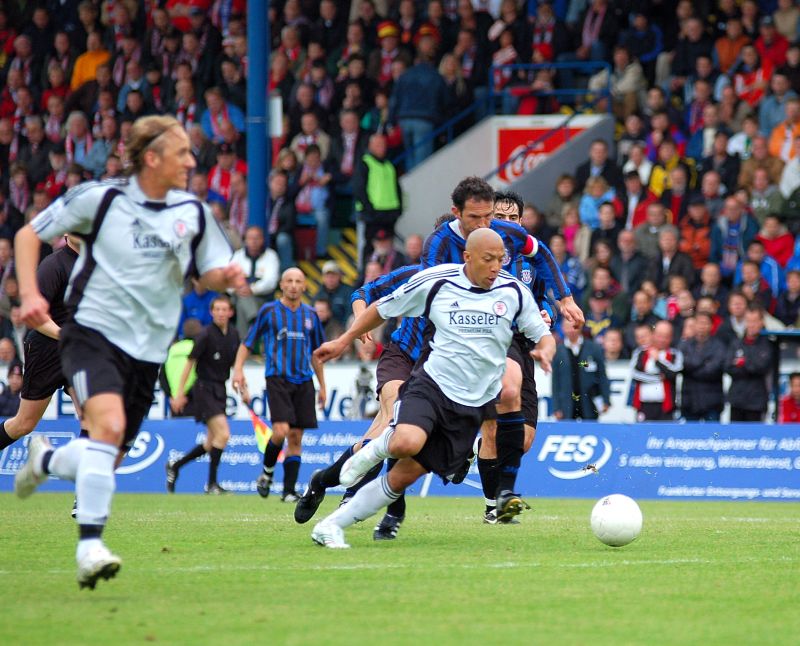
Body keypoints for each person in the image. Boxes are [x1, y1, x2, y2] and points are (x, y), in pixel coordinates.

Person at [12, 115, 245, 590]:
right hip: (91, 334)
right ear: (151, 158)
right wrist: (31, 295)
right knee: (109, 427)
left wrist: (226, 277)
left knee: (109, 455)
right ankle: (89, 549)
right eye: (181, 152)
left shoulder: (193, 212)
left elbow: (209, 271)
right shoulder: (100, 198)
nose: (191, 161)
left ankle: (46, 462)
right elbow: (27, 234)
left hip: (147, 350)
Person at [308, 228, 555, 548]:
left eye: (500, 259)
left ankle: (329, 526)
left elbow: (542, 333)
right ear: (467, 257)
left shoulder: (514, 291)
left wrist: (546, 350)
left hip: (469, 407)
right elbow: (381, 308)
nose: (496, 267)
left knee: (402, 477)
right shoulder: (436, 281)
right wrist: (343, 340)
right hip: (432, 386)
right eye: (488, 259)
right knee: (406, 441)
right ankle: (378, 447)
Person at [232, 268, 326, 502]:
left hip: (304, 380)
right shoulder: (269, 311)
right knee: (281, 430)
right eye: (289, 281)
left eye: (298, 281)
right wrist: (238, 369)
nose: (293, 285)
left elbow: (317, 354)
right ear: (281, 285)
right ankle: (267, 472)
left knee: (295, 437)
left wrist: (322, 386)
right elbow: (248, 342)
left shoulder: (311, 315)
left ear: (304, 286)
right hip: (277, 378)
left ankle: (288, 491)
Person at [0, 236, 81, 451]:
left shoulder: (98, 264)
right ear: (66, 233)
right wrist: (64, 335)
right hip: (47, 350)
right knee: (23, 424)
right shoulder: (53, 265)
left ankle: (89, 469)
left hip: (80, 352)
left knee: (93, 421)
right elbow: (32, 316)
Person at [166, 295, 239, 494]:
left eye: (224, 309)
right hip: (204, 389)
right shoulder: (205, 335)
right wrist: (179, 393)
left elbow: (235, 363)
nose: (221, 313)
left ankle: (175, 466)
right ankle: (212, 484)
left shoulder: (233, 334)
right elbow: (189, 364)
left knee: (210, 443)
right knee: (223, 434)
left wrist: (241, 382)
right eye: (217, 309)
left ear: (231, 312)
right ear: (211, 312)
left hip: (220, 389)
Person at [229, 225, 280, 340]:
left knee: (242, 304)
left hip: (261, 299)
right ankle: (255, 318)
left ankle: (243, 343)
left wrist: (252, 289)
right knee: (242, 298)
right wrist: (238, 289)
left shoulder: (271, 256)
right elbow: (228, 279)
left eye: (257, 238)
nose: (253, 241)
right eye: (250, 238)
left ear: (262, 240)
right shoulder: (238, 256)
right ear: (245, 240)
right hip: (237, 296)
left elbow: (270, 282)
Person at [725, 306, 773, 422]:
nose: (751, 325)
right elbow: (728, 367)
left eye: (754, 321)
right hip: (736, 399)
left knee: (755, 431)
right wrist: (749, 365)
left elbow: (761, 368)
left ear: (761, 322)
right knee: (735, 432)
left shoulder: (768, 344)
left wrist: (742, 362)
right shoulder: (736, 343)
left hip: (757, 401)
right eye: (748, 321)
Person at [630, 320, 684, 421]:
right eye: (659, 335)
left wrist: (658, 361)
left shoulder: (675, 354)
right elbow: (634, 374)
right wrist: (658, 378)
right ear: (653, 334)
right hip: (644, 405)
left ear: (671, 337)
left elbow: (673, 374)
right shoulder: (641, 352)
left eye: (666, 336)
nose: (662, 340)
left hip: (666, 406)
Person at [552, 327, 610, 420]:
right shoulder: (558, 350)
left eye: (574, 326)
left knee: (591, 427)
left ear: (580, 326)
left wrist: (606, 400)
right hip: (566, 404)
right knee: (567, 428)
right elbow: (555, 382)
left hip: (590, 402)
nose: (571, 329)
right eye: (568, 325)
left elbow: (602, 376)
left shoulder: (593, 348)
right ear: (563, 328)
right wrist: (556, 407)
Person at [677, 312, 727, 421]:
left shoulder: (719, 345)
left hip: (712, 401)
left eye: (705, 323)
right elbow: (682, 365)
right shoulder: (685, 345)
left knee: (713, 431)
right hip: (689, 400)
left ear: (712, 326)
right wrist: (704, 361)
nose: (702, 326)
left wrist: (692, 368)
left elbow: (713, 369)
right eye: (699, 323)